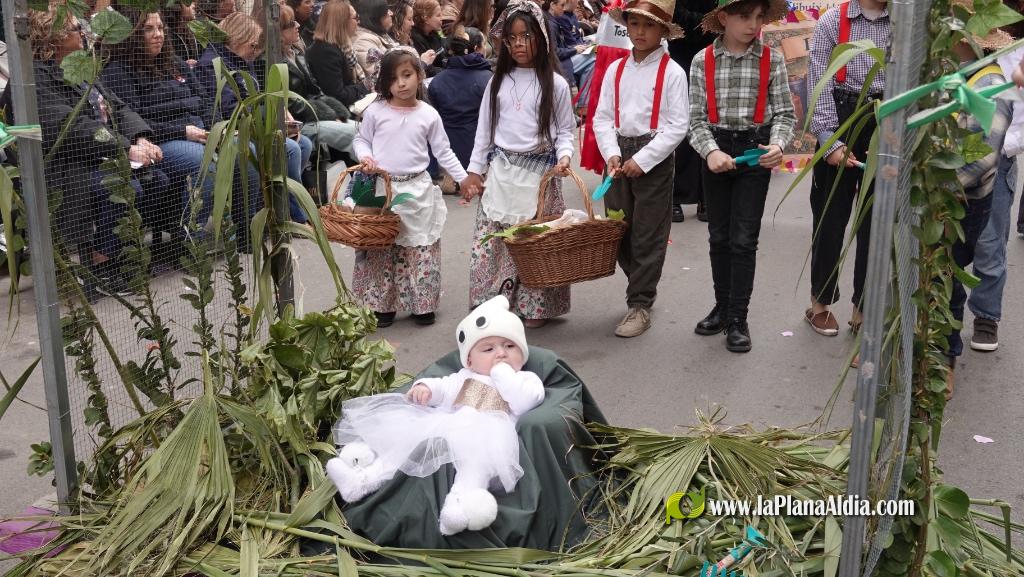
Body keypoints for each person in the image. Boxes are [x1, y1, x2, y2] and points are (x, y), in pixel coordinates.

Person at [327, 295, 545, 536]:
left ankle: (459, 508)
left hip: (488, 436)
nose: (501, 354)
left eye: (510, 346)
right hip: (449, 426)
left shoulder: (525, 379)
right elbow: (445, 387)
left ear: (522, 354)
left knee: (476, 467)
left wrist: (504, 376)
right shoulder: (465, 376)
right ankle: (362, 480)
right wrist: (427, 389)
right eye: (489, 348)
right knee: (407, 445)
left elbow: (526, 401)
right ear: (470, 360)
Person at [13, 7, 168, 295]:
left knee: (158, 181)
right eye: (75, 29)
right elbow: (72, 127)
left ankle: (123, 252)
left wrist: (141, 138)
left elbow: (118, 107)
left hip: (104, 156)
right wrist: (126, 148)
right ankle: (103, 263)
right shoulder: (34, 78)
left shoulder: (81, 70)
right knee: (122, 187)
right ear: (52, 39)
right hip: (66, 167)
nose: (84, 33)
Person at [687, 0, 794, 352]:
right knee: (719, 236)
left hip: (754, 152)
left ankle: (738, 317)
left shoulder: (771, 59)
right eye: (745, 16)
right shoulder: (703, 60)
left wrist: (777, 144)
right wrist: (711, 151)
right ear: (723, 17)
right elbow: (696, 119)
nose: (753, 24)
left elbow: (784, 114)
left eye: (758, 17)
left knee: (744, 239)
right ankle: (722, 306)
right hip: (717, 147)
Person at [462, 0, 576, 328]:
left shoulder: (554, 84)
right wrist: (474, 171)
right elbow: (484, 130)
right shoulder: (497, 82)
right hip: (500, 174)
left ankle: (534, 308)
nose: (519, 45)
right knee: (495, 246)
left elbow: (566, 131)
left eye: (525, 36)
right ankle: (494, 304)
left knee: (533, 246)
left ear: (541, 37)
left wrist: (565, 157)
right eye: (511, 39)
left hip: (540, 177)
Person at [350, 47, 468, 327]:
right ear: (384, 83)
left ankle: (423, 305)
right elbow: (360, 141)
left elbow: (443, 151)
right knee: (382, 248)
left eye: (407, 75)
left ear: (419, 75)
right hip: (382, 189)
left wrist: (464, 179)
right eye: (393, 78)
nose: (401, 84)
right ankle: (383, 306)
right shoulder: (376, 111)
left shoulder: (429, 115)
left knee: (421, 248)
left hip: (418, 189)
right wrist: (365, 157)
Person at [592, 0, 688, 337]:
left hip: (653, 158)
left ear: (663, 30)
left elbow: (677, 126)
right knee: (618, 232)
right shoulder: (615, 70)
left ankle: (640, 303)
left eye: (648, 25)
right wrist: (612, 154)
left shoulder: (673, 73)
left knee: (649, 233)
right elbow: (602, 117)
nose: (640, 32)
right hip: (618, 156)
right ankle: (641, 283)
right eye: (634, 24)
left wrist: (644, 159)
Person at [804, 0, 890, 337]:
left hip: (883, 123)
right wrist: (831, 143)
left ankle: (863, 307)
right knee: (830, 218)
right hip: (840, 118)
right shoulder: (832, 21)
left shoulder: (900, 22)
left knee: (874, 222)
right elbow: (819, 83)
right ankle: (820, 304)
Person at [945, 6, 1012, 395]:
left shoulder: (990, 84)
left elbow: (982, 158)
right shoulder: (954, 75)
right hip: (944, 195)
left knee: (949, 276)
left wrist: (935, 182)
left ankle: (946, 357)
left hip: (964, 200)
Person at [101, 9, 213, 240]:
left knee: (242, 149)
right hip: (160, 141)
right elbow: (133, 120)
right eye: (148, 29)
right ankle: (192, 239)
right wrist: (182, 131)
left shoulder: (174, 63)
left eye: (161, 28)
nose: (158, 34)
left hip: (198, 130)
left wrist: (218, 128)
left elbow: (205, 100)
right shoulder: (118, 71)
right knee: (204, 161)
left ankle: (242, 230)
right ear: (132, 35)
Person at [195, 12, 314, 223]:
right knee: (290, 149)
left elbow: (255, 98)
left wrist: (281, 113)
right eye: (252, 45)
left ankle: (271, 207)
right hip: (233, 130)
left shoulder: (240, 58)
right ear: (237, 39)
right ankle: (294, 217)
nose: (255, 50)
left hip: (254, 125)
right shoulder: (213, 64)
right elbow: (231, 109)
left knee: (303, 143)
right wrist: (273, 117)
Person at [968, 41, 1024, 352]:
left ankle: (986, 316)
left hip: (999, 156)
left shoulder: (1015, 52)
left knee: (990, 242)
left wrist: (1006, 145)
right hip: (958, 150)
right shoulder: (973, 44)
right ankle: (940, 310)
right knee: (947, 234)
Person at [278, 5, 358, 159]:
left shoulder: (296, 53)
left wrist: (333, 113)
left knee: (361, 129)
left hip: (316, 113)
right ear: (278, 32)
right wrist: (327, 115)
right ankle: (368, 176)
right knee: (355, 134)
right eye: (291, 24)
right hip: (300, 123)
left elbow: (315, 90)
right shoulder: (273, 62)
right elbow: (290, 103)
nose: (298, 26)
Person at [667, 0, 716, 222]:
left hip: (713, 56)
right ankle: (675, 195)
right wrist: (708, 23)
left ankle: (706, 195)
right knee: (680, 126)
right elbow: (674, 16)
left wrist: (714, 23)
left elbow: (724, 15)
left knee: (711, 122)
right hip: (680, 58)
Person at [428, 27, 492, 175]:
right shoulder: (487, 79)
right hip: (480, 154)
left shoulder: (437, 82)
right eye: (483, 45)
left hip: (447, 155)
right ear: (476, 48)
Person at [306, 0, 371, 110]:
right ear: (342, 22)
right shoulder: (325, 52)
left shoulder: (342, 46)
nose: (358, 22)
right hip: (337, 112)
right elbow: (338, 95)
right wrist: (364, 87)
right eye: (356, 18)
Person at [353, 0, 400, 89]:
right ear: (375, 19)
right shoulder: (363, 42)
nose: (391, 13)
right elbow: (379, 75)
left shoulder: (380, 33)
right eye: (386, 13)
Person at [542, 0, 582, 87]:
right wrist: (574, 50)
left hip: (563, 60)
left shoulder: (551, 21)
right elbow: (555, 52)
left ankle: (582, 97)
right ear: (552, 5)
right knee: (593, 59)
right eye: (562, 5)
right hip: (559, 64)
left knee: (591, 65)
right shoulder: (549, 24)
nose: (564, 9)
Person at [410, 0, 445, 76]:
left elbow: (443, 54)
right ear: (426, 18)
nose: (442, 18)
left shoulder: (435, 32)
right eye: (438, 15)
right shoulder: (416, 38)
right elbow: (428, 69)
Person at [162, 0, 201, 64]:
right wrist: (184, 64)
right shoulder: (167, 34)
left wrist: (198, 63)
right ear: (177, 7)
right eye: (188, 3)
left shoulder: (191, 30)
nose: (194, 5)